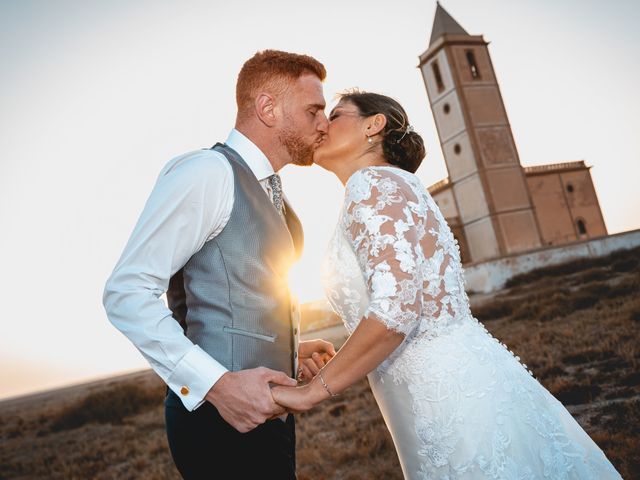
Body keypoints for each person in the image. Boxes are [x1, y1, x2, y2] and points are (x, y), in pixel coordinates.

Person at [271, 91, 622, 479]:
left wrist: (313, 391)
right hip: (460, 380)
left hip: (445, 400)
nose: (322, 124)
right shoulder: (399, 185)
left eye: (335, 115)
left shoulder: (370, 185)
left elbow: (396, 311)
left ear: (374, 125)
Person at [103, 50, 336, 480]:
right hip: (218, 422)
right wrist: (217, 385)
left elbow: (239, 289)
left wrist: (288, 350)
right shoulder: (207, 173)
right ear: (268, 108)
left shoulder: (271, 187)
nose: (325, 123)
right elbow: (127, 292)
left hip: (269, 417)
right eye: (314, 110)